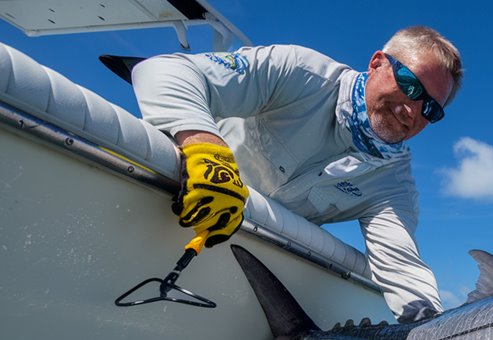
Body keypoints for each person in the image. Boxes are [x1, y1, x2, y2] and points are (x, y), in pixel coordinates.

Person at [131, 26, 462, 323]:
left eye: (430, 109)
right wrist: (208, 151)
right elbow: (162, 69)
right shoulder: (300, 72)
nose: (412, 111)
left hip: (243, 271)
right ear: (377, 63)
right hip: (156, 205)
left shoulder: (395, 185)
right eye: (410, 85)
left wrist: (435, 333)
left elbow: (401, 266)